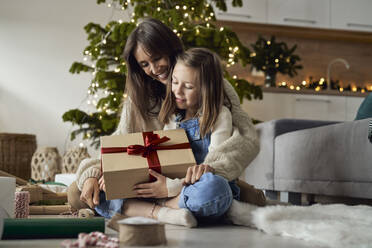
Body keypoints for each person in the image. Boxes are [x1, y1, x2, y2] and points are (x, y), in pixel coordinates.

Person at [68, 18, 264, 227]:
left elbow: (246, 138)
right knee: (76, 193)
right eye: (144, 64)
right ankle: (165, 211)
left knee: (213, 189)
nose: (153, 69)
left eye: (157, 58)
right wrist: (95, 173)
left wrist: (209, 171)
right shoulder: (140, 98)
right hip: (151, 182)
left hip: (196, 180)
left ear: (171, 49)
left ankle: (229, 195)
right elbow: (120, 144)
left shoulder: (213, 84)